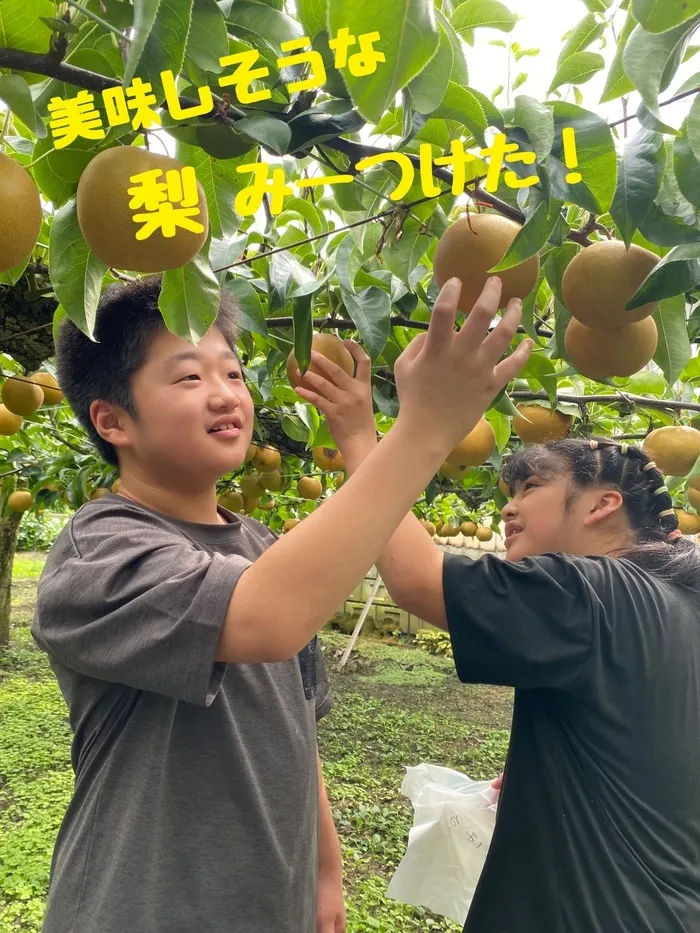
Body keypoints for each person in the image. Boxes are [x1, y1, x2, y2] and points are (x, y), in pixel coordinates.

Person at [29, 273, 530, 933]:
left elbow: (298, 726)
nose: (225, 394)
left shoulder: (265, 545)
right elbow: (262, 620)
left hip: (272, 905)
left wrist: (325, 870)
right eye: (188, 378)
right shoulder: (96, 551)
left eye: (233, 374)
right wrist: (424, 429)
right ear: (112, 419)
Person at [295, 350, 700, 933]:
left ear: (603, 504)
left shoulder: (590, 592)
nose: (507, 507)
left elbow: (413, 579)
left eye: (531, 486)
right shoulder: (677, 601)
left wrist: (361, 437)